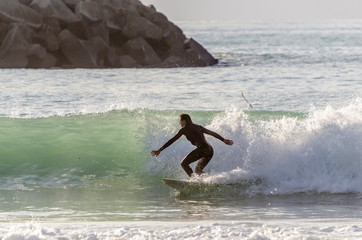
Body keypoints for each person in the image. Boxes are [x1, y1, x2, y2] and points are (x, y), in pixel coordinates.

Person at [151, 113, 233, 177]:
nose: (179, 122)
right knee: (198, 170)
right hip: (210, 150)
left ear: (184, 121)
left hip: (202, 149)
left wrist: (160, 150)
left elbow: (172, 140)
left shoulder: (184, 129)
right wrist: (223, 140)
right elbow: (211, 133)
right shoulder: (198, 126)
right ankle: (209, 179)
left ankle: (193, 181)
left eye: (180, 120)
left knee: (184, 164)